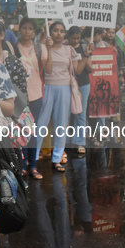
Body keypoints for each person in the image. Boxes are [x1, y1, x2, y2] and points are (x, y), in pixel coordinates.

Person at [34, 21, 82, 172]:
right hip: (48, 87)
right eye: (55, 30)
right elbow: (47, 70)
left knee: (61, 124)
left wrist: (87, 55)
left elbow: (77, 70)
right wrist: (47, 49)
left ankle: (57, 158)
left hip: (65, 88)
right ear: (51, 32)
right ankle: (33, 158)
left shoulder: (69, 50)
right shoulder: (43, 48)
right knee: (42, 122)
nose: (58, 33)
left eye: (61, 31)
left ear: (64, 34)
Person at [17, 17, 47, 179]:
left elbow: (47, 69)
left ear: (34, 32)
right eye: (24, 28)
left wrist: (48, 51)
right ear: (20, 29)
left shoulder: (40, 48)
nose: (27, 31)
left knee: (33, 131)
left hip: (36, 94)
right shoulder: (13, 47)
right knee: (21, 130)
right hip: (19, 95)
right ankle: (22, 165)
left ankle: (33, 166)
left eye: (30, 29)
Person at [67, 26, 94, 154]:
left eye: (78, 38)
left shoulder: (84, 47)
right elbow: (77, 70)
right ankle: (66, 140)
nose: (76, 41)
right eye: (74, 38)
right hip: (68, 84)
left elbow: (89, 68)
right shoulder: (65, 48)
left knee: (80, 113)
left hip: (83, 83)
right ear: (68, 37)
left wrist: (85, 55)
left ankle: (79, 141)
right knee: (66, 114)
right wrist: (82, 59)